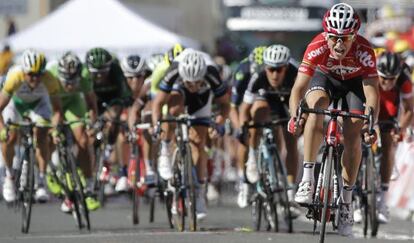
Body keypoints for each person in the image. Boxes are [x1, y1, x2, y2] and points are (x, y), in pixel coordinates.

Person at [288, 3, 379, 236]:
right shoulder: (317, 46)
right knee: (314, 107)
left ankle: (347, 202)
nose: (339, 44)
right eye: (334, 38)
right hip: (325, 79)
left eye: (345, 38)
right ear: (326, 35)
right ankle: (307, 179)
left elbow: (371, 94)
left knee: (353, 133)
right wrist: (295, 116)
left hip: (354, 85)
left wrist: (371, 124)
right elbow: (298, 88)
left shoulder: (365, 51)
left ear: (354, 36)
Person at [152, 49, 229, 220]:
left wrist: (218, 122)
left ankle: (199, 193)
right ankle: (166, 149)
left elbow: (225, 105)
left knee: (198, 143)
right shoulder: (174, 70)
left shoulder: (211, 73)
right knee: (172, 110)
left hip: (203, 98)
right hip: (178, 92)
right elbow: (157, 103)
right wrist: (158, 126)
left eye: (196, 82)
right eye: (190, 83)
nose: (193, 86)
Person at [238, 44, 300, 216]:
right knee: (258, 114)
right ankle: (252, 156)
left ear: (286, 67)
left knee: (291, 140)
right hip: (265, 100)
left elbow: (304, 102)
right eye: (271, 69)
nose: (274, 74)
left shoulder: (295, 74)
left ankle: (290, 192)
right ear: (266, 67)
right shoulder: (258, 76)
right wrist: (244, 128)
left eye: (279, 70)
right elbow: (244, 108)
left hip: (287, 101)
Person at [355, 51, 413, 224]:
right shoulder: (368, 71)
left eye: (392, 79)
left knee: (388, 144)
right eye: (384, 79)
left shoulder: (404, 79)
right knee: (355, 141)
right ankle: (355, 198)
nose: (388, 83)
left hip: (388, 103)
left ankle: (381, 200)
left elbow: (410, 109)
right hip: (368, 98)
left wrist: (400, 129)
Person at [0, 49, 63, 203]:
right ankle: (9, 176)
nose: (35, 78)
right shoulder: (14, 77)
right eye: (31, 74)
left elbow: (57, 110)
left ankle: (40, 181)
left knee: (42, 136)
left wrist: (54, 130)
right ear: (24, 71)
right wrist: (2, 129)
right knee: (9, 138)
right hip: (15, 104)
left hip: (38, 104)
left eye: (38, 74)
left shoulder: (50, 80)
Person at [47, 51, 100, 211]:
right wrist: (54, 129)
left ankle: (89, 187)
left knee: (83, 140)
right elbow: (49, 109)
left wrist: (92, 124)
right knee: (48, 137)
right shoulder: (51, 75)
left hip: (72, 103)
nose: (69, 86)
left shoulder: (84, 76)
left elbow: (91, 104)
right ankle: (50, 170)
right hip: (51, 103)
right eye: (66, 82)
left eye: (73, 82)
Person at [85, 47, 131, 195]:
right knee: (90, 132)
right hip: (94, 101)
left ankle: (110, 147)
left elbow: (125, 92)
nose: (99, 76)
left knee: (113, 118)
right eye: (95, 73)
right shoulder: (85, 75)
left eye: (103, 72)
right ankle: (92, 166)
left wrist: (123, 104)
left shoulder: (116, 71)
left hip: (112, 99)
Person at [230, 45, 267, 208]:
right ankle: (243, 180)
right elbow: (233, 106)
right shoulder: (242, 71)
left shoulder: (272, 69)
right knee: (245, 136)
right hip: (245, 99)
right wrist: (240, 128)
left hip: (265, 96)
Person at [120, 54, 155, 189]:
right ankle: (123, 173)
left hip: (143, 107)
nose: (134, 81)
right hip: (128, 110)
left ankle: (148, 165)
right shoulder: (121, 86)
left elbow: (148, 106)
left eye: (138, 76)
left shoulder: (148, 84)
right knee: (121, 134)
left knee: (147, 123)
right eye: (130, 77)